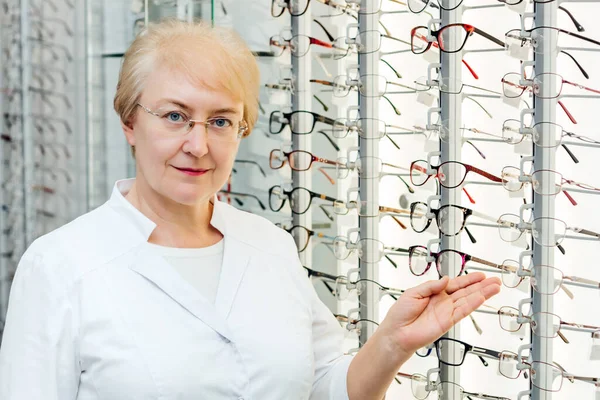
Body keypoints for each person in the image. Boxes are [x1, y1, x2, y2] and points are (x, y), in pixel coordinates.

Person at [0, 18, 501, 399]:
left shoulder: (268, 244)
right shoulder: (60, 266)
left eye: (221, 121)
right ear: (130, 122)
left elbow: (325, 385)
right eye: (175, 116)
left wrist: (393, 343)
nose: (198, 144)